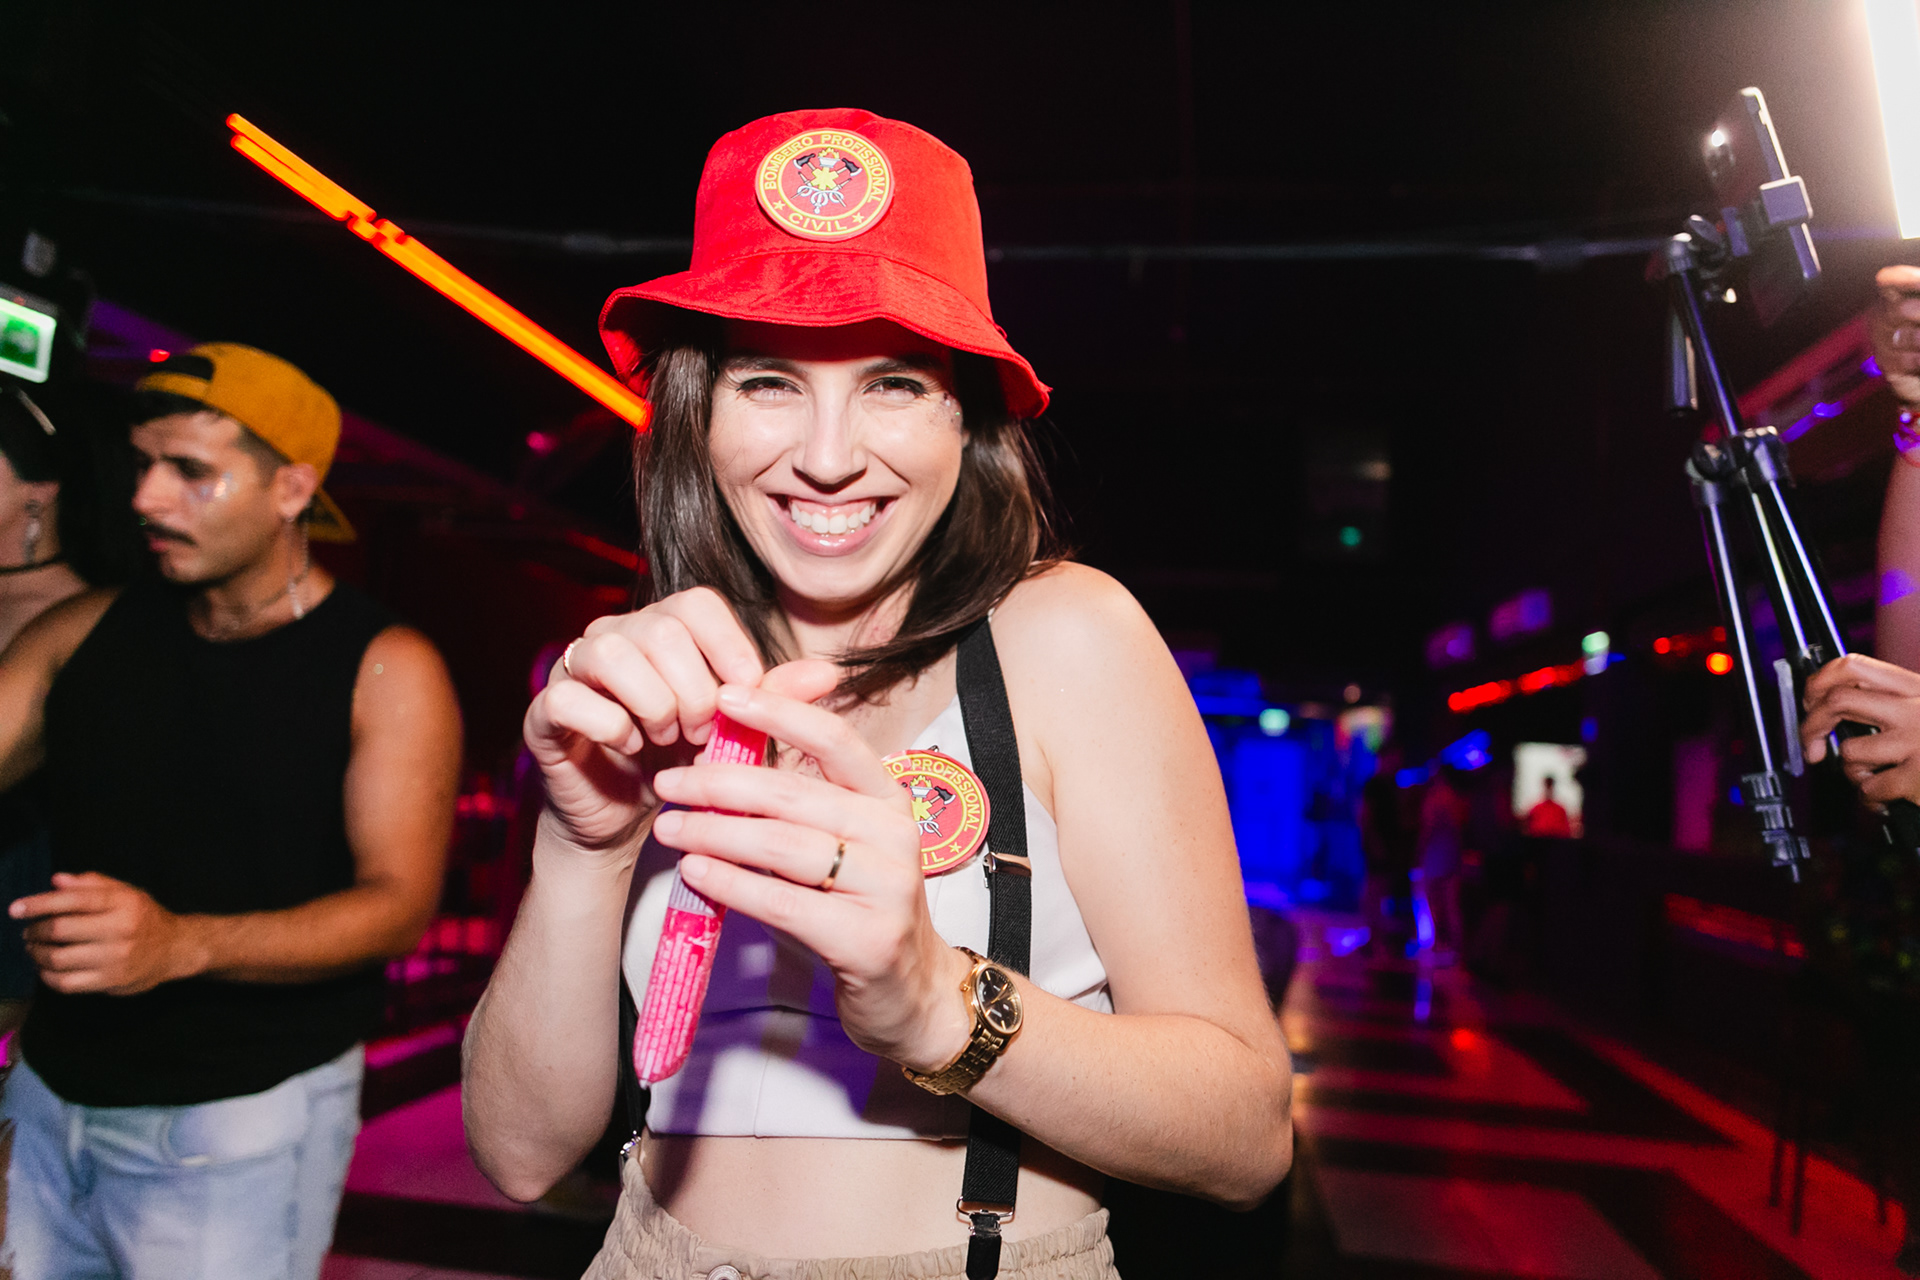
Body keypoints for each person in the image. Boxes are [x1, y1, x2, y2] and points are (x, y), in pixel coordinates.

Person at [462, 109, 1293, 1280]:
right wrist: (581, 847)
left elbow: (1247, 1136)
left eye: (894, 384)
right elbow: (517, 1154)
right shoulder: (657, 674)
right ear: (697, 411)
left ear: (967, 415)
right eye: (769, 382)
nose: (828, 454)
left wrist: (936, 1001)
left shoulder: (1065, 635)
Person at [0, 344, 463, 1280]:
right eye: (143, 465)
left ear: (292, 488)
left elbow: (397, 906)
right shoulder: (80, 633)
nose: (147, 498)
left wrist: (182, 944)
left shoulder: (384, 668)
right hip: (51, 1095)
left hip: (235, 1116)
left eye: (191, 471)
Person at [1357, 740, 1415, 959]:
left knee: (1381, 893)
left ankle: (1378, 938)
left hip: (1388, 847)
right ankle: (1374, 938)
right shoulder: (1375, 785)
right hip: (1379, 847)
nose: (1397, 761)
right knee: (1375, 892)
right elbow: (1366, 815)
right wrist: (1375, 844)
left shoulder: (1393, 785)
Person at [1415, 766, 1468, 960]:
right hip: (1452, 854)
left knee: (1433, 901)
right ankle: (1456, 947)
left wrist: (1419, 852)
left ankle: (1438, 943)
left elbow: (1427, 828)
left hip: (1435, 855)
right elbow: (1460, 827)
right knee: (1451, 903)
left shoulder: (1434, 797)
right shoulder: (1455, 797)